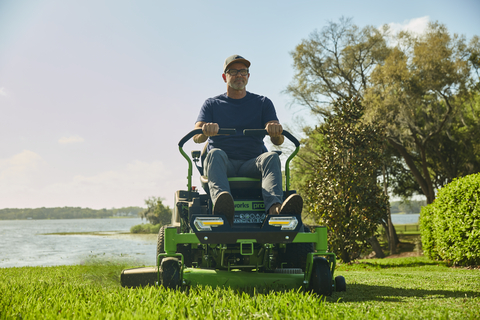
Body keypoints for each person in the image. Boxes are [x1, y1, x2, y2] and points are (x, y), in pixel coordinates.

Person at [193, 54, 302, 224]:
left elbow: (278, 141)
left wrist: (275, 131)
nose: (239, 75)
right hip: (224, 163)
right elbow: (197, 136)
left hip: (251, 163)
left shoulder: (263, 103)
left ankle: (275, 210)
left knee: (272, 156)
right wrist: (205, 130)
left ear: (248, 76)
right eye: (233, 71)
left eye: (243, 71)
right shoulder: (212, 104)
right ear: (224, 77)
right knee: (214, 154)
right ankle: (222, 205)